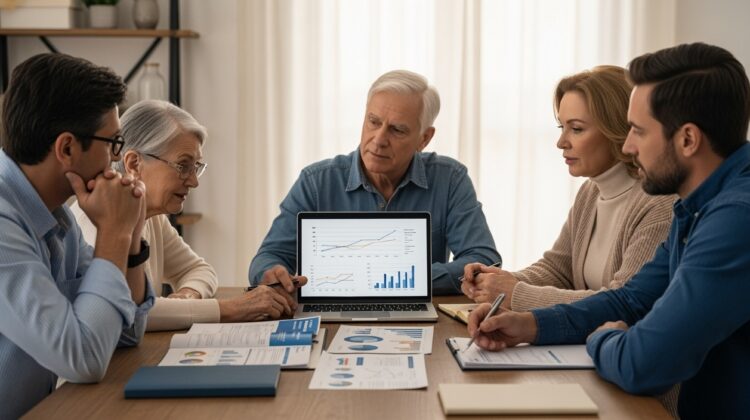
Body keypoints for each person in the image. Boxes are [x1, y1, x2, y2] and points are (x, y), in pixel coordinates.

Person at [466, 43, 750, 419]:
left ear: (687, 140)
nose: (628, 147)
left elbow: (643, 364)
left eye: (637, 131)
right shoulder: (694, 203)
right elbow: (628, 301)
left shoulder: (735, 219)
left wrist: (602, 337)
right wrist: (529, 325)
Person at [248, 70, 500, 295]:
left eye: (397, 130)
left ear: (424, 138)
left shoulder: (450, 179)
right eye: (374, 122)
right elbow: (268, 257)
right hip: (329, 315)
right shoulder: (316, 182)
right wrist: (271, 273)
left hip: (425, 321)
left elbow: (483, 259)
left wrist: (401, 280)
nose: (379, 139)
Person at [0, 53, 155, 418]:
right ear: (67, 148)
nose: (117, 161)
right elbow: (83, 359)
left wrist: (131, 235)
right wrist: (114, 231)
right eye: (113, 144)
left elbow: (126, 333)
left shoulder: (57, 217)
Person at [72, 100, 302, 331]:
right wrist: (233, 309)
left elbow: (200, 270)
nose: (194, 181)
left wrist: (185, 297)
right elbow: (128, 312)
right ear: (133, 164)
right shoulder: (96, 222)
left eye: (196, 167)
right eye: (183, 165)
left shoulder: (152, 217)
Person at [461, 66, 674, 311]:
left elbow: (623, 301)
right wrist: (496, 281)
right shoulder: (591, 191)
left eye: (577, 129)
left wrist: (515, 293)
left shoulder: (659, 204)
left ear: (618, 130)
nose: (561, 142)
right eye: (562, 127)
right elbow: (557, 269)